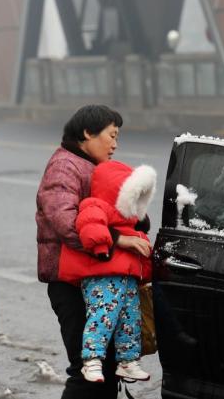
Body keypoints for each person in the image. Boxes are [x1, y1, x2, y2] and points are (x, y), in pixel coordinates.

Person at [36, 104, 151, 399]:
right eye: (111, 135)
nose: (115, 144)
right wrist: (118, 239)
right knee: (86, 370)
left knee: (107, 368)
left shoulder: (92, 166)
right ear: (88, 133)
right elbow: (65, 222)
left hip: (96, 278)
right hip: (70, 284)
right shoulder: (65, 166)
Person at [57, 160, 156, 383]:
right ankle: (91, 359)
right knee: (103, 314)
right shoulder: (96, 205)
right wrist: (102, 246)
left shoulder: (130, 224)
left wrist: (145, 272)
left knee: (131, 319)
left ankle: (128, 361)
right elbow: (90, 226)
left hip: (126, 278)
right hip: (102, 275)